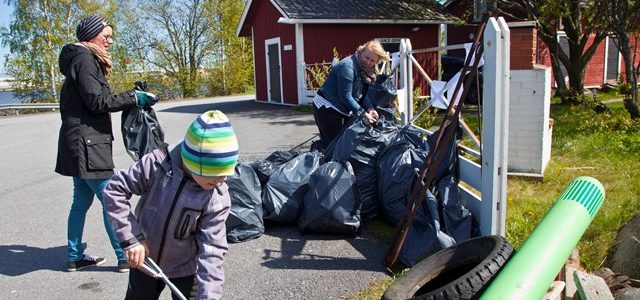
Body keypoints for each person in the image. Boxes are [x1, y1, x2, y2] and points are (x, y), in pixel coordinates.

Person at [55, 15, 158, 272]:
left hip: (79, 142)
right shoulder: (84, 59)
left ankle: (74, 256)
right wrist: (134, 98)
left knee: (81, 201)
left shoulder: (80, 60)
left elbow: (92, 99)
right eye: (106, 36)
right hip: (87, 144)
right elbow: (98, 102)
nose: (110, 41)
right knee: (112, 196)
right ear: (91, 35)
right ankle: (125, 257)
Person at [103, 110, 238, 300]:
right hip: (145, 261)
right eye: (214, 175)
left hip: (186, 269)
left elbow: (212, 251)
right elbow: (114, 189)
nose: (221, 181)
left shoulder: (216, 197)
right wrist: (131, 239)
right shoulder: (157, 164)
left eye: (225, 174)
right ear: (192, 163)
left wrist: (209, 297)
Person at [313, 39, 391, 147]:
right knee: (334, 145)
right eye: (366, 57)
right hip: (326, 106)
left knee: (347, 142)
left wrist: (370, 109)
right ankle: (328, 162)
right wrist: (363, 114)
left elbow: (362, 94)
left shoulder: (365, 71)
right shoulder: (348, 67)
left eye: (372, 61)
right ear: (361, 52)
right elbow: (345, 96)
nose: (368, 62)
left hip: (342, 108)